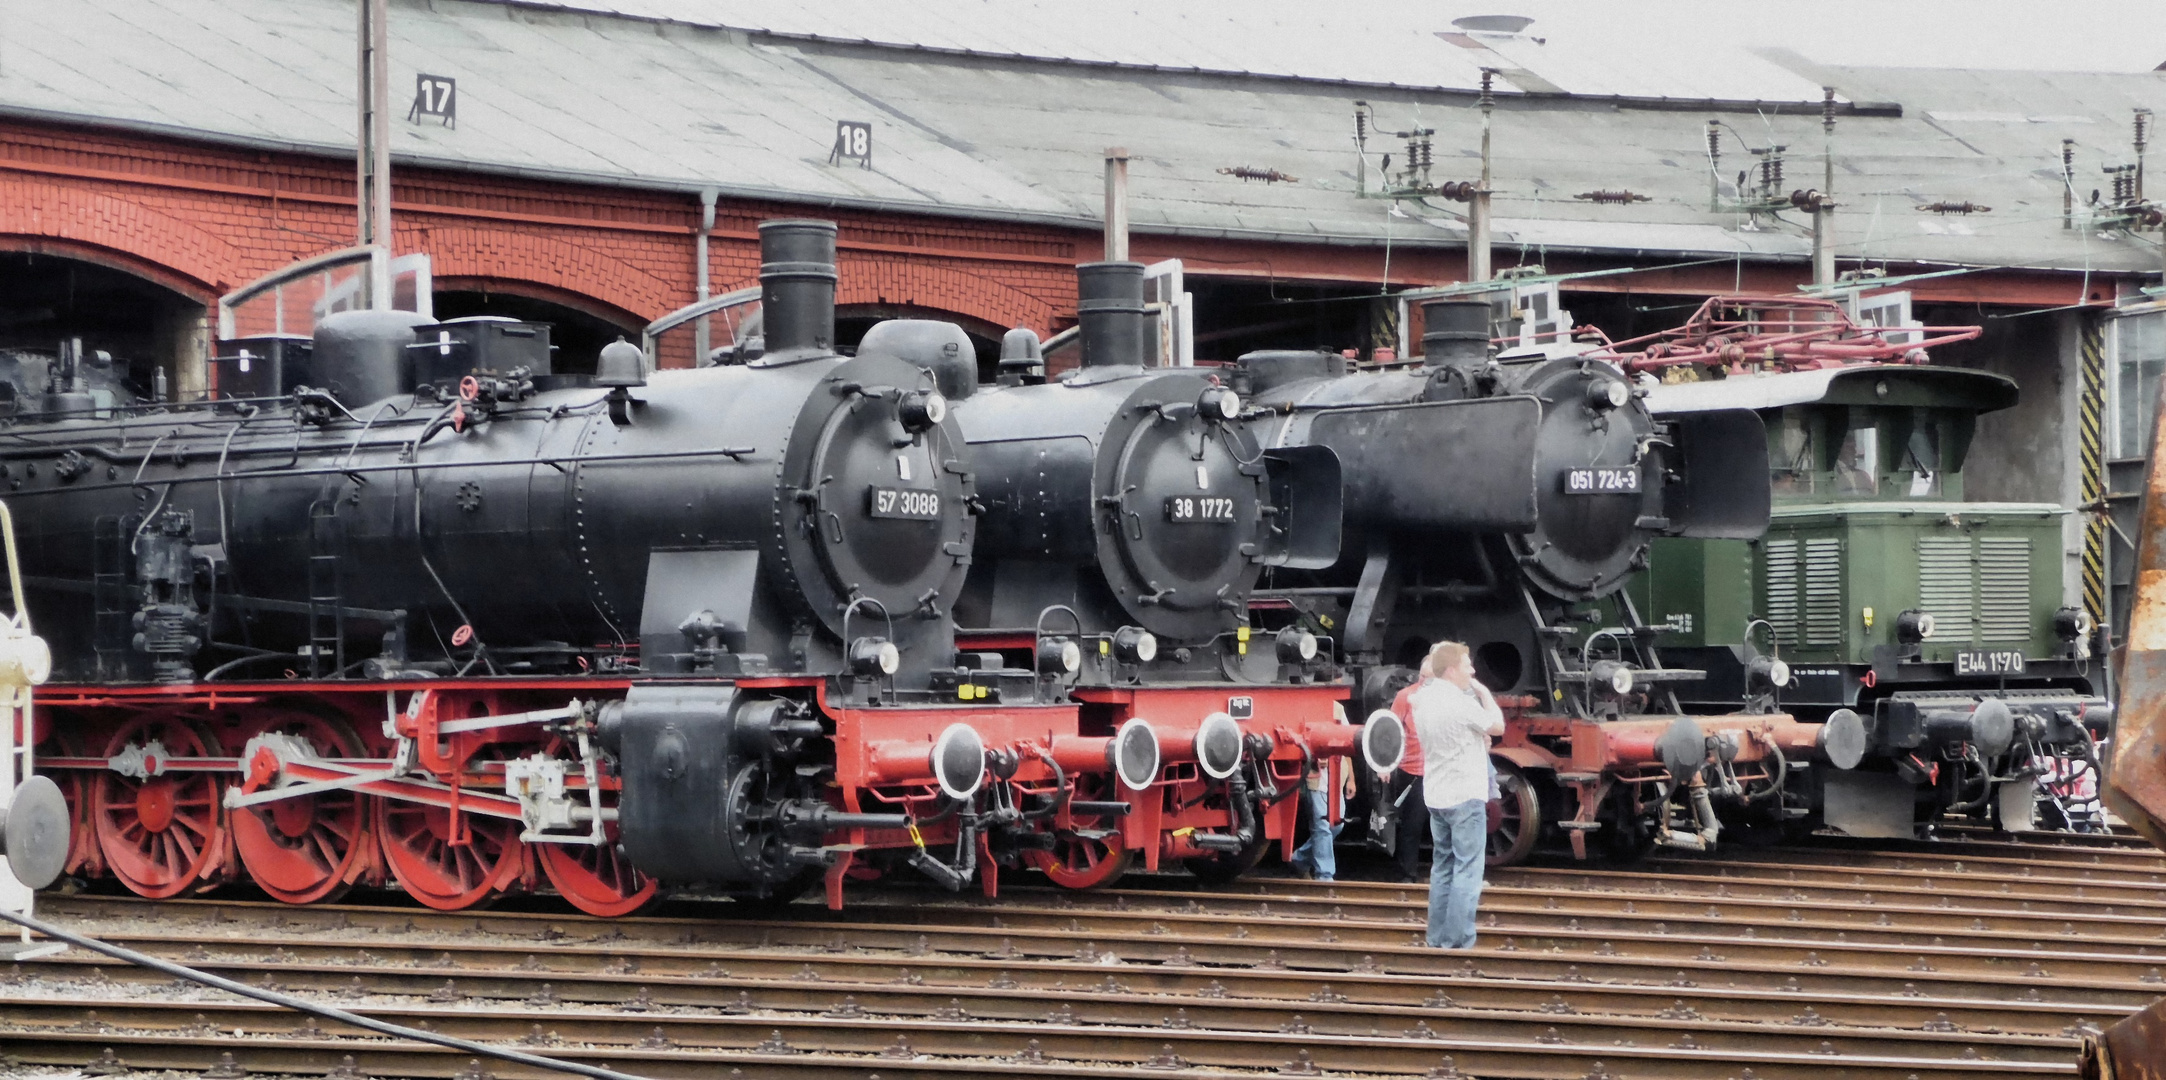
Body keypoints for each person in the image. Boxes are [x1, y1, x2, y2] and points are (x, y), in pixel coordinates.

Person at [1409, 641, 1505, 949]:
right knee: (1467, 869)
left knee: (1443, 868)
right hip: (1465, 794)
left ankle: (1437, 938)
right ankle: (1459, 940)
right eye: (1467, 665)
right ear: (1451, 670)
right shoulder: (1462, 703)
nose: (1473, 670)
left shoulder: (1421, 699)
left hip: (1437, 794)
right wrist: (1484, 693)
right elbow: (1498, 726)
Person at [1379, 659, 1432, 884]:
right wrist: (1386, 764)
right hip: (1413, 770)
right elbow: (1390, 731)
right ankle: (1408, 872)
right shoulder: (1405, 697)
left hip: (1439, 770)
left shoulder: (1446, 698)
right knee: (1413, 823)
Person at [1290, 701, 1355, 880]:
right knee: (1321, 827)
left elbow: (1347, 742)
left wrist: (1351, 778)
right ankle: (1325, 875)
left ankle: (1300, 858)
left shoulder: (1338, 709)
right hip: (1315, 778)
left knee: (1337, 825)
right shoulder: (1306, 708)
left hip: (1336, 778)